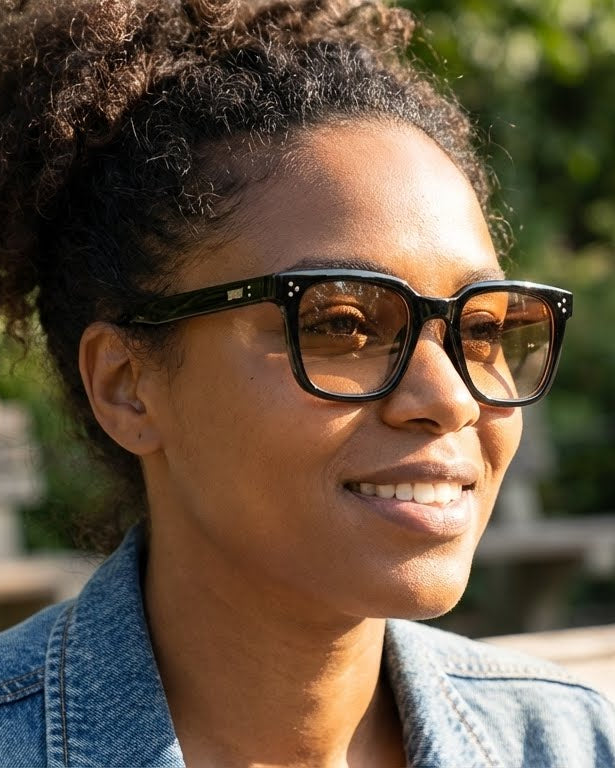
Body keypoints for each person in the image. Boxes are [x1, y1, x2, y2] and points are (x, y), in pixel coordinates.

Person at [0, 1, 612, 766]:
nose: (449, 398)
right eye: (341, 324)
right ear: (127, 385)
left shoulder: (565, 741)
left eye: (481, 328)